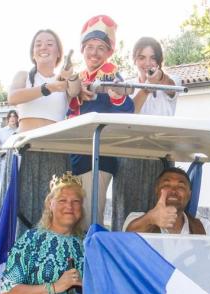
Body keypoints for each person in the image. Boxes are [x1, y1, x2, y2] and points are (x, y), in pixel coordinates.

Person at [7, 29, 82, 230]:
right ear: (32, 52)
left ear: (59, 52)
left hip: (55, 152)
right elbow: (13, 97)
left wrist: (67, 76)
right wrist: (48, 88)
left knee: (56, 210)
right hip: (27, 150)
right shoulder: (24, 76)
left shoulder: (64, 80)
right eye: (38, 43)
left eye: (50, 43)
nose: (43, 47)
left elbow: (75, 90)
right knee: (24, 210)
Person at [67, 15, 134, 228]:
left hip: (98, 155)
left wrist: (116, 93)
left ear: (108, 52)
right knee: (72, 215)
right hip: (75, 155)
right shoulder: (79, 77)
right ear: (82, 49)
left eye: (100, 48)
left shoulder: (111, 76)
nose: (94, 52)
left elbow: (127, 109)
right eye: (90, 47)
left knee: (88, 217)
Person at [112, 36, 181, 231]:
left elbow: (168, 86)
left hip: (161, 156)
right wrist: (146, 88)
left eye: (152, 58)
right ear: (134, 60)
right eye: (142, 57)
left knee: (161, 213)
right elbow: (129, 113)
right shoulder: (127, 86)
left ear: (159, 62)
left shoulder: (173, 81)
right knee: (128, 212)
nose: (147, 63)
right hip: (130, 156)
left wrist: (156, 79)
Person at [123, 166, 210, 235]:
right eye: (166, 185)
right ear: (157, 190)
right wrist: (150, 219)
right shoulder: (136, 218)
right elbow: (126, 237)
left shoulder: (204, 227)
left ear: (189, 194)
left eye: (180, 187)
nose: (173, 191)